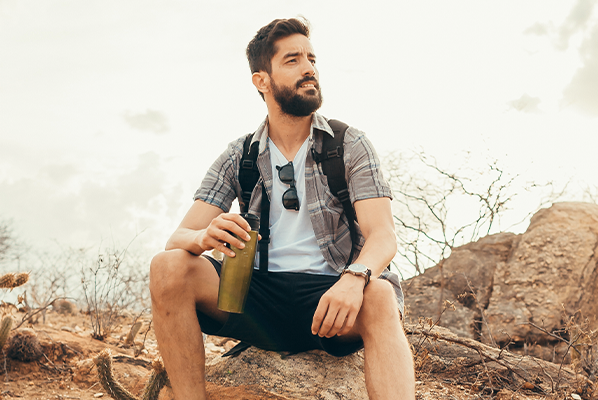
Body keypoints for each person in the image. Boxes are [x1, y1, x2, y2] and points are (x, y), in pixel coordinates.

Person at [148, 17, 414, 399]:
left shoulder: (349, 143)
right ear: (262, 80)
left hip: (331, 302)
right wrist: (205, 236)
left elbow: (383, 235)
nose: (309, 68)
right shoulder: (239, 155)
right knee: (167, 265)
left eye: (312, 58)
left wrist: (354, 280)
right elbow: (179, 238)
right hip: (255, 300)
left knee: (381, 294)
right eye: (292, 60)